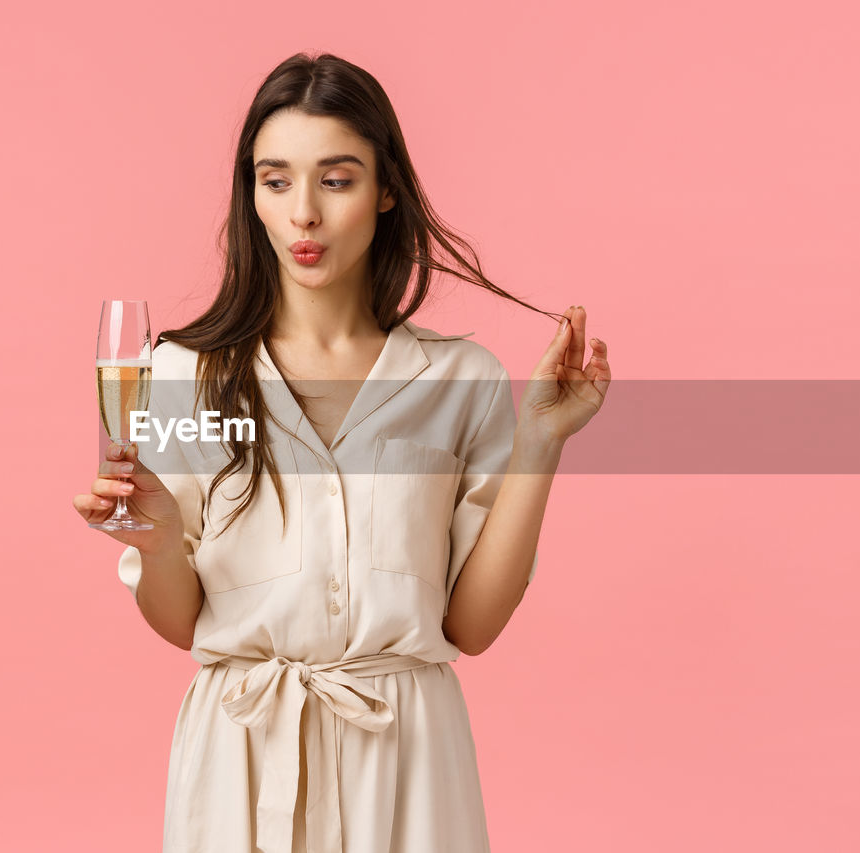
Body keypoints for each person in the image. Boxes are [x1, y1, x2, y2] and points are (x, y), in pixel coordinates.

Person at [73, 52, 610, 853]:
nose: (303, 215)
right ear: (250, 193)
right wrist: (153, 538)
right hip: (241, 758)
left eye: (336, 178)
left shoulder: (459, 379)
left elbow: (472, 622)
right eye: (275, 179)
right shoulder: (183, 373)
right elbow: (180, 619)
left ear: (386, 189)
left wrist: (539, 439)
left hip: (410, 758)